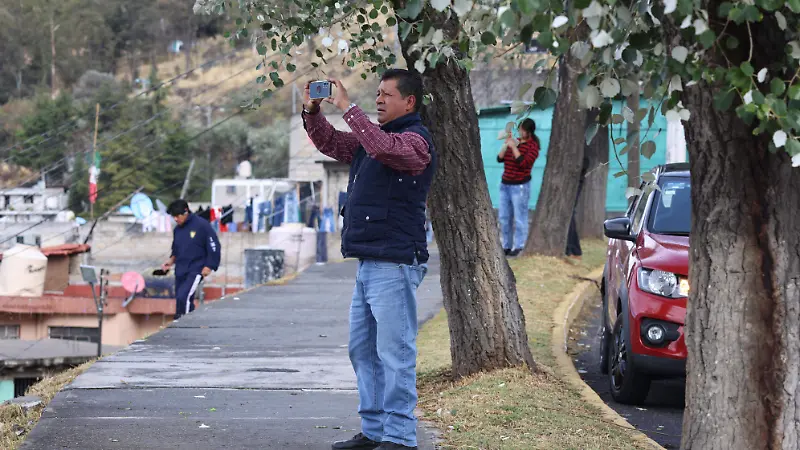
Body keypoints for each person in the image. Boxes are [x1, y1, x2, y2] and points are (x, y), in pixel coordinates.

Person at [302, 69, 436, 450]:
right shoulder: (369, 139)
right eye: (375, 94)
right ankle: (375, 430)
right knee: (362, 350)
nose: (378, 100)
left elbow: (383, 149)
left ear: (409, 102)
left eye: (386, 95)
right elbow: (330, 142)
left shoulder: (416, 142)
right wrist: (312, 111)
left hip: (394, 262)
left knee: (395, 353)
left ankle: (400, 437)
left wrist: (348, 107)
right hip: (369, 261)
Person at [161, 199, 221, 320]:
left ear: (185, 212)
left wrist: (210, 265)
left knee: (185, 297)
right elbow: (176, 247)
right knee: (179, 298)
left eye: (177, 216)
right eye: (174, 217)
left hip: (196, 268)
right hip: (181, 268)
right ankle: (179, 321)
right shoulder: (177, 229)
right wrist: (171, 260)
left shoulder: (202, 225)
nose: (176, 219)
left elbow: (214, 246)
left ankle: (185, 323)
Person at [497, 118, 540, 256]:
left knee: (520, 218)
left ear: (529, 131)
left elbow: (523, 163)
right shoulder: (515, 141)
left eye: (523, 130)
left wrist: (514, 147)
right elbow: (500, 158)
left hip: (520, 187)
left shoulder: (533, 147)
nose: (520, 132)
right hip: (505, 185)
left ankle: (520, 246)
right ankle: (506, 245)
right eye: (519, 129)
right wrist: (506, 145)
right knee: (504, 217)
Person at [566, 154, 591, 259]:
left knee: (569, 215)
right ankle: (573, 250)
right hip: (571, 179)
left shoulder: (579, 146)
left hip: (574, 180)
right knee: (569, 215)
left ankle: (573, 250)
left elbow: (585, 162)